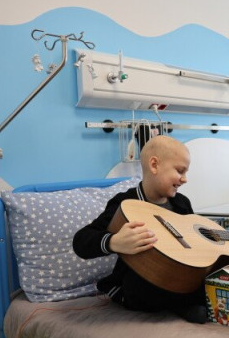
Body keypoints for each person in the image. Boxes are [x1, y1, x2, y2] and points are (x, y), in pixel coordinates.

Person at [73, 135, 208, 323]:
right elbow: (81, 241)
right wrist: (113, 242)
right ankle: (182, 303)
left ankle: (187, 299)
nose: (184, 179)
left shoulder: (182, 203)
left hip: (177, 274)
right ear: (154, 165)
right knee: (143, 288)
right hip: (141, 279)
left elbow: (192, 241)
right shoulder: (125, 203)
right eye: (180, 171)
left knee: (211, 277)